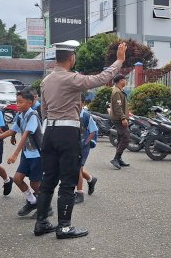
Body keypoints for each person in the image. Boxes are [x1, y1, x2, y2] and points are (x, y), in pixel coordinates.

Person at [33, 40, 127, 240]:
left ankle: (41, 223)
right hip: (67, 132)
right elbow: (101, 78)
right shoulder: (71, 78)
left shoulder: (46, 81)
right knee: (68, 180)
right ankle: (64, 227)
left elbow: (43, 111)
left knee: (48, 179)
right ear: (71, 58)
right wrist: (119, 61)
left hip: (49, 130)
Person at [0, 89, 45, 217]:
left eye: (21, 102)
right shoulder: (21, 116)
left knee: (35, 183)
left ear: (30, 103)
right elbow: (11, 131)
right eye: (17, 102)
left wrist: (15, 154)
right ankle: (32, 201)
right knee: (17, 179)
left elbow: (25, 135)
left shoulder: (33, 116)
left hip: (37, 155)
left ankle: (45, 206)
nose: (18, 105)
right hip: (27, 154)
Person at [76, 96, 98, 204]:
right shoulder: (71, 114)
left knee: (78, 168)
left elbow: (93, 130)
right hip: (73, 146)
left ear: (83, 102)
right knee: (75, 167)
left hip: (83, 147)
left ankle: (79, 193)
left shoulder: (86, 116)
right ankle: (90, 179)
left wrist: (86, 142)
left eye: (78, 101)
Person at [110, 74, 130, 170]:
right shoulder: (116, 92)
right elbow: (117, 108)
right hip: (118, 119)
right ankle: (116, 158)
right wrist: (123, 118)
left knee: (121, 138)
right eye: (124, 79)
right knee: (126, 138)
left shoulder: (119, 91)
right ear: (120, 81)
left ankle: (119, 159)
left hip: (119, 118)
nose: (125, 81)